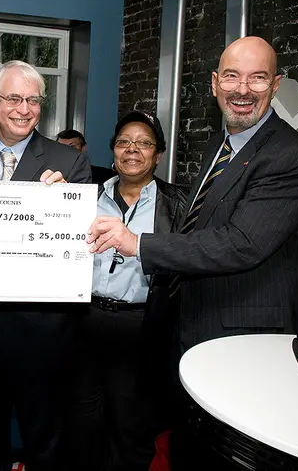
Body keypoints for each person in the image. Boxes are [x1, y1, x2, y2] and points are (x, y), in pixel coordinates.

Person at [88, 37, 298, 357]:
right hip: (203, 321)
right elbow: (201, 228)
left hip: (252, 335)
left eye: (258, 77)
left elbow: (242, 243)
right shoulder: (219, 146)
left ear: (276, 84)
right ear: (215, 83)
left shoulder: (289, 155)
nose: (242, 89)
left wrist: (138, 243)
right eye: (231, 75)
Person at [0, 60, 91, 471]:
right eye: (14, 98)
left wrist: (66, 206)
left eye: (33, 100)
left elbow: (83, 245)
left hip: (42, 331)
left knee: (44, 442)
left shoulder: (71, 163)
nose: (24, 108)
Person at [75, 110, 186, 470]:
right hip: (83, 322)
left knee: (132, 425)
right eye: (124, 142)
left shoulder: (179, 206)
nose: (132, 150)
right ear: (113, 151)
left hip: (141, 327)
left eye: (144, 143)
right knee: (83, 423)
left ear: (158, 154)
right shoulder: (85, 197)